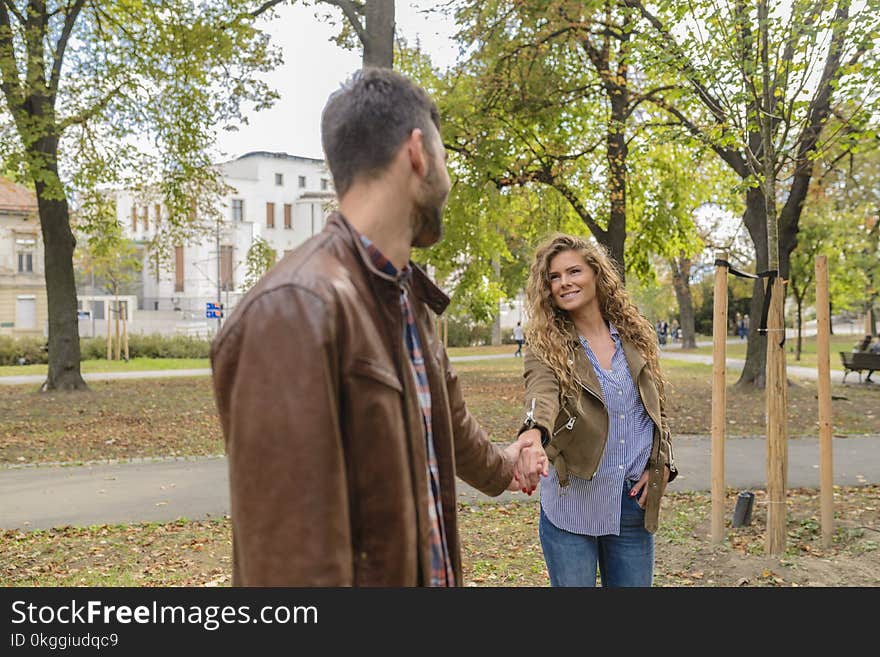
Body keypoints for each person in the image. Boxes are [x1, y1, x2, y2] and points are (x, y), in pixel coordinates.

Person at [211, 68, 546, 586]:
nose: (448, 181)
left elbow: (449, 430)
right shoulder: (294, 309)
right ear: (418, 152)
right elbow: (289, 574)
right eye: (445, 159)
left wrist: (508, 461)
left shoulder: (404, 295)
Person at [517, 233, 677, 587]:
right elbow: (541, 393)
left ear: (595, 273)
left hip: (632, 505)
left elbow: (655, 410)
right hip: (572, 505)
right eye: (554, 278)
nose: (564, 283)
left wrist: (662, 462)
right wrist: (533, 431)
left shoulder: (634, 334)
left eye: (573, 271)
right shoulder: (546, 345)